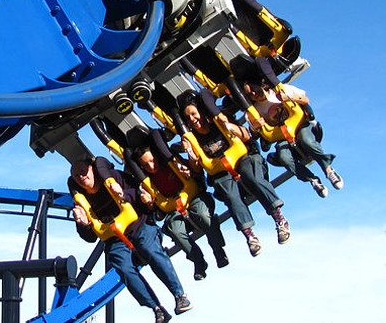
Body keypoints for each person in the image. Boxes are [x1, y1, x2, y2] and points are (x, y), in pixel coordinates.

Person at [69, 155, 192, 323]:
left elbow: (138, 192)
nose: (82, 177)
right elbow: (89, 238)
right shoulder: (80, 202)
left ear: (92, 169)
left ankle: (180, 295)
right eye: (77, 176)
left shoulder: (113, 177)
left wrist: (123, 195)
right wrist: (83, 224)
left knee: (150, 250)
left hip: (138, 225)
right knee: (123, 267)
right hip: (116, 239)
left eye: (84, 172)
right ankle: (156, 308)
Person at [178, 91, 290, 257]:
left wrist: (231, 128)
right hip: (222, 172)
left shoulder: (220, 119)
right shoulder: (192, 138)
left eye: (194, 114)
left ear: (201, 111)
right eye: (188, 118)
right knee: (230, 193)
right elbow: (197, 170)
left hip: (245, 159)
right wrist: (192, 157)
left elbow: (247, 136)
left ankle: (279, 218)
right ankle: (250, 235)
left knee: (251, 177)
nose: (193, 120)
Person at [130, 137, 228, 281]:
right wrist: (150, 203)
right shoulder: (146, 183)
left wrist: (190, 168)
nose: (151, 166)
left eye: (152, 161)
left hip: (194, 198)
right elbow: (156, 210)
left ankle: (218, 250)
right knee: (175, 230)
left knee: (202, 215)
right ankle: (198, 261)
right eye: (146, 165)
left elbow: (197, 172)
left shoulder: (173, 162)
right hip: (174, 209)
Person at [243, 80, 342, 197]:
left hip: (299, 126)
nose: (254, 94)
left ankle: (328, 170)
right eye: (250, 94)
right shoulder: (253, 111)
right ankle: (312, 180)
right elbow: (254, 133)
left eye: (255, 89)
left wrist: (289, 97)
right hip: (281, 135)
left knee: (307, 141)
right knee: (284, 157)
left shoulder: (281, 90)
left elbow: (305, 100)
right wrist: (256, 126)